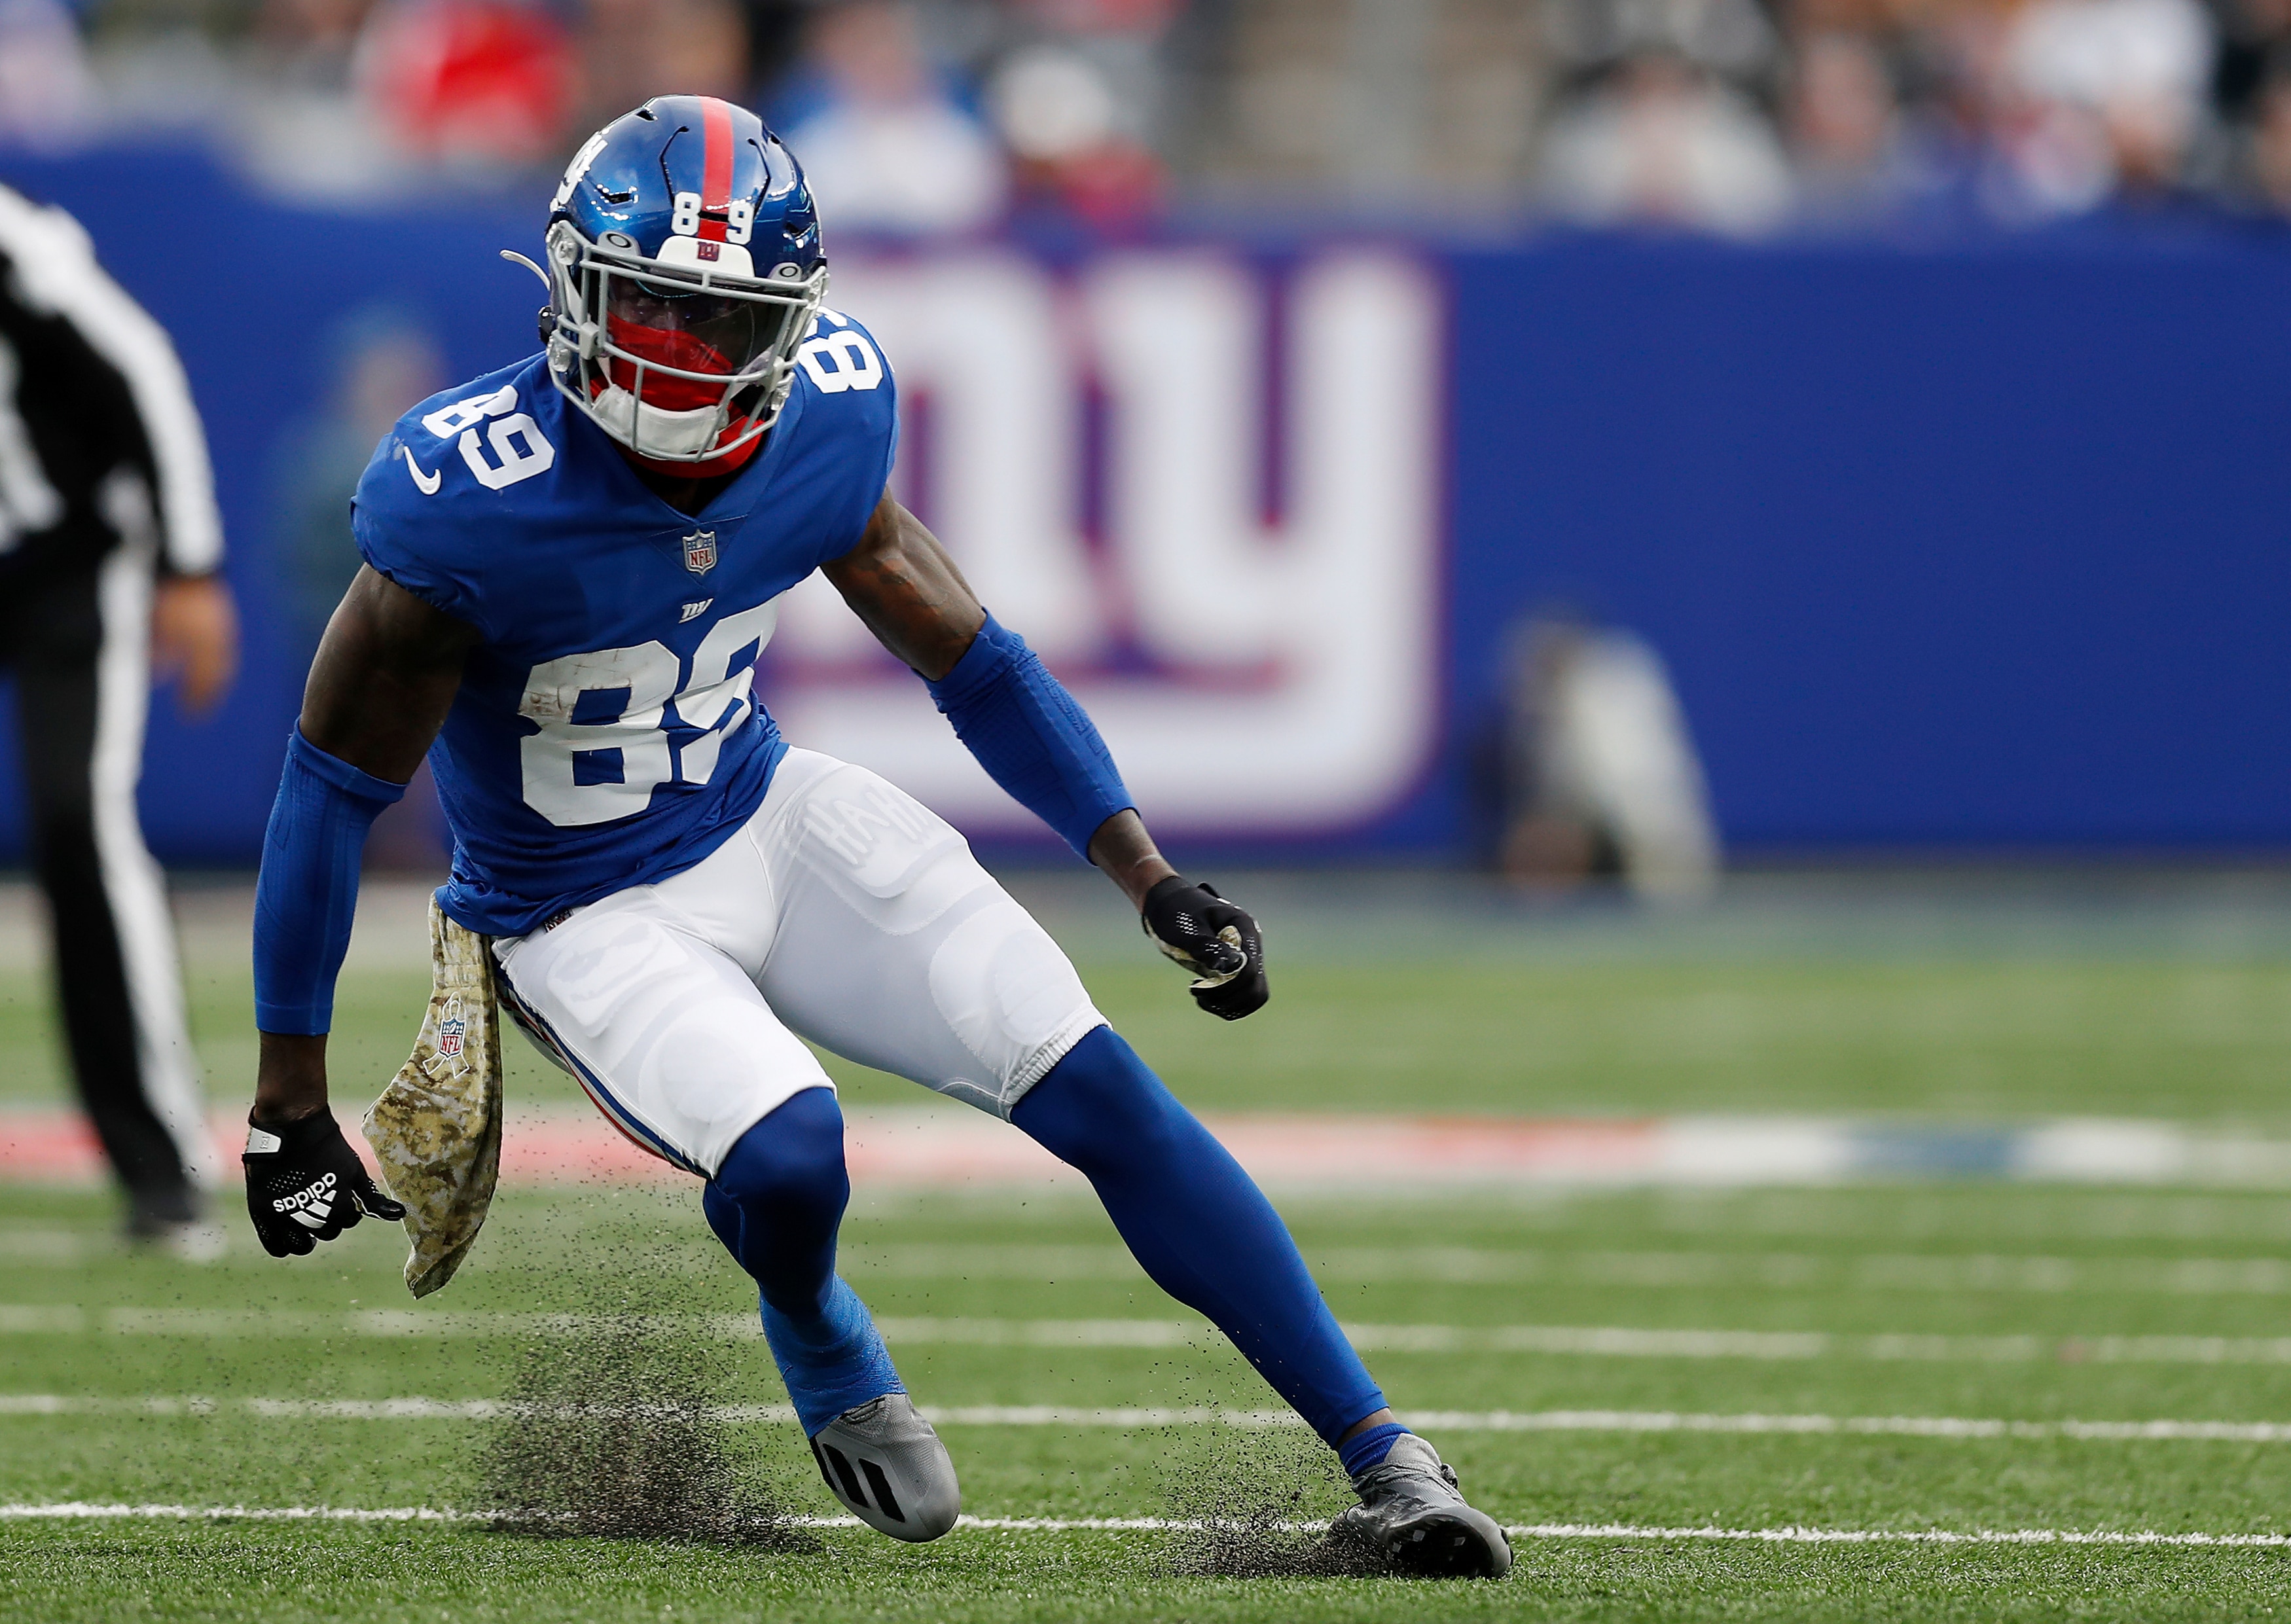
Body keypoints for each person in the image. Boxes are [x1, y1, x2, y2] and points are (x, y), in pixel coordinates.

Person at [237, 95, 1511, 1579]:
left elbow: (967, 651)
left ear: (787, 326)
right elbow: (329, 787)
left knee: (1098, 1083)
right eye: (646, 304)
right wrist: (286, 1096)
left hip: (767, 807)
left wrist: (1141, 867)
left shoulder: (830, 417)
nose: (673, 351)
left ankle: (1387, 1459)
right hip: (581, 906)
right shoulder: (470, 499)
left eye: (718, 321)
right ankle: (819, 1323)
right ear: (572, 287)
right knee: (790, 1157)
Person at [0, 184, 236, 1254]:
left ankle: (160, 1161)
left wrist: (191, 563)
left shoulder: (11, 246)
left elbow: (138, 363)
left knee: (77, 823)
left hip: (66, 563)